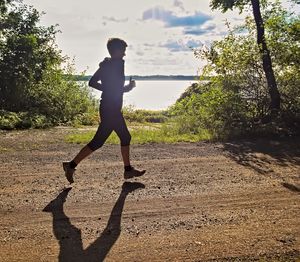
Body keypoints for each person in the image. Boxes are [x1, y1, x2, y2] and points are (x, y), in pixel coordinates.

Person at [63, 38, 145, 184]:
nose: (125, 54)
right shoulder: (116, 64)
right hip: (110, 108)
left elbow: (97, 83)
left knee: (114, 139)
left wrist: (122, 88)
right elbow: (105, 86)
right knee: (111, 139)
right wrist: (128, 87)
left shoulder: (108, 65)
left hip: (109, 107)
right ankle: (71, 165)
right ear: (117, 51)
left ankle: (127, 170)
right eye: (123, 51)